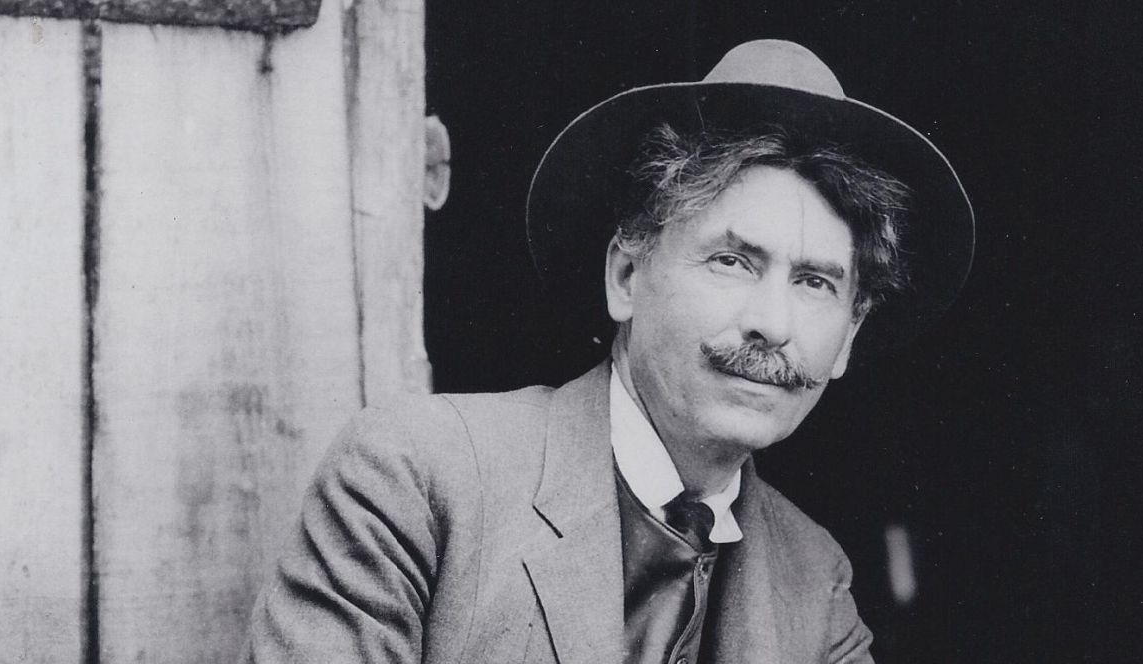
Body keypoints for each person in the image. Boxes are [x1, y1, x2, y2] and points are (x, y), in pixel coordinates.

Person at [244, 39, 974, 664]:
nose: (772, 324)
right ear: (626, 276)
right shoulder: (417, 480)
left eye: (815, 283)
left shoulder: (817, 586)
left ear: (849, 336)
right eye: (731, 261)